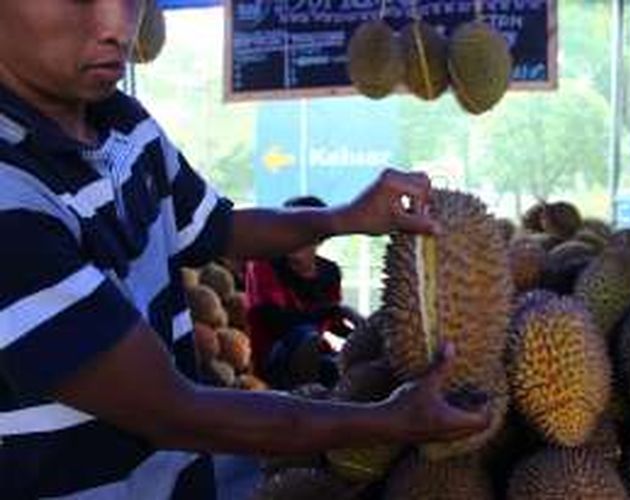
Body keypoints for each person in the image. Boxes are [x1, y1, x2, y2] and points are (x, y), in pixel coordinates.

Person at [0, 1, 490, 499]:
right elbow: (173, 410)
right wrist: (390, 420)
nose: (117, 26)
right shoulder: (8, 199)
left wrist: (345, 217)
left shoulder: (125, 124)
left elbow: (217, 228)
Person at [244, 195, 363, 389]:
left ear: (320, 237)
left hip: (316, 355)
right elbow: (273, 319)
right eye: (287, 230)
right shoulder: (263, 264)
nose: (292, 237)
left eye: (301, 231)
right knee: (305, 336)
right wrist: (335, 310)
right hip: (274, 360)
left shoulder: (330, 272)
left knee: (341, 369)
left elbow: (332, 324)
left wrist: (365, 332)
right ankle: (304, 404)